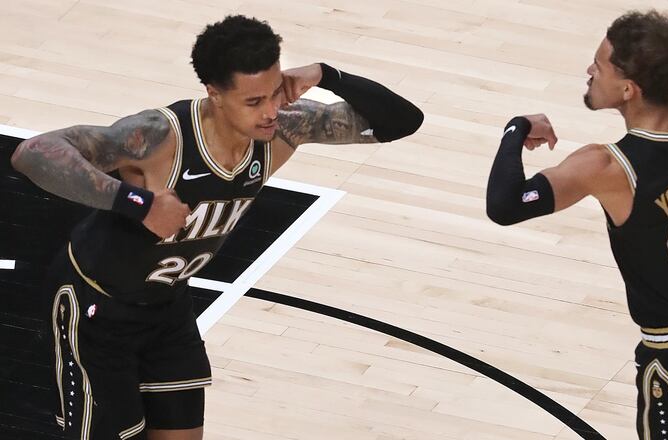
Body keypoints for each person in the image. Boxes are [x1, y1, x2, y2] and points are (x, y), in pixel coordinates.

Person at [10, 15, 423, 440]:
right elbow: (34, 153)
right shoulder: (158, 136)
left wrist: (327, 73)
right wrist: (137, 203)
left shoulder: (285, 125)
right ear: (214, 93)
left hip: (167, 307)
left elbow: (401, 121)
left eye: (274, 93)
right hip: (96, 310)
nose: (269, 112)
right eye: (252, 102)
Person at [486, 10, 668, 440]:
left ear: (629, 89)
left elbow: (504, 204)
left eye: (600, 65)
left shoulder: (608, 166)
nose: (590, 71)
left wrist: (515, 129)